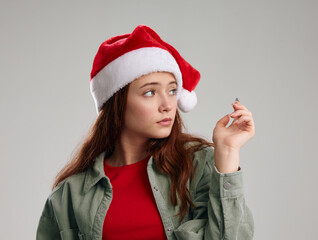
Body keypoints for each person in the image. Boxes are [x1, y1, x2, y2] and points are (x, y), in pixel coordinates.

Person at [36, 24, 255, 240]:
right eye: (150, 92)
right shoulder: (71, 194)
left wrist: (227, 153)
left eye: (172, 90)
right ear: (117, 103)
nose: (168, 104)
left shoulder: (198, 166)